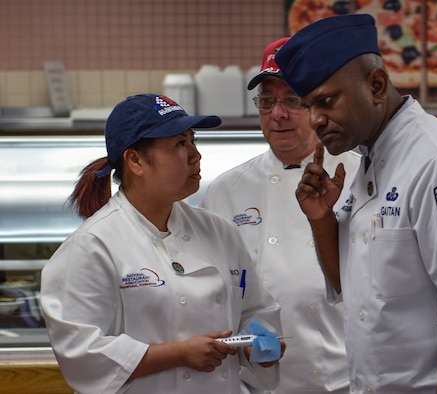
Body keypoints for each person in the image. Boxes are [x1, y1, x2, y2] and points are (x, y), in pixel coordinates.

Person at [274, 14, 437, 393]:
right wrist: (322, 222)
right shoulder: (367, 164)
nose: (315, 119)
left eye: (326, 101)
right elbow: (355, 289)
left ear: (377, 85)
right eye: (309, 105)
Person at [40, 94, 285, 394]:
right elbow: (82, 353)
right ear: (136, 160)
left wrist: (257, 346)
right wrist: (179, 354)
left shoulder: (220, 232)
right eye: (180, 144)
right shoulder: (93, 245)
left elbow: (255, 311)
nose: (196, 155)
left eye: (193, 141)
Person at [200, 38, 359, 393]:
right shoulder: (226, 190)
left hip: (342, 380)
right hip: (254, 384)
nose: (278, 113)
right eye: (268, 101)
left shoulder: (358, 179)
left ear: (319, 104)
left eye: (291, 100)